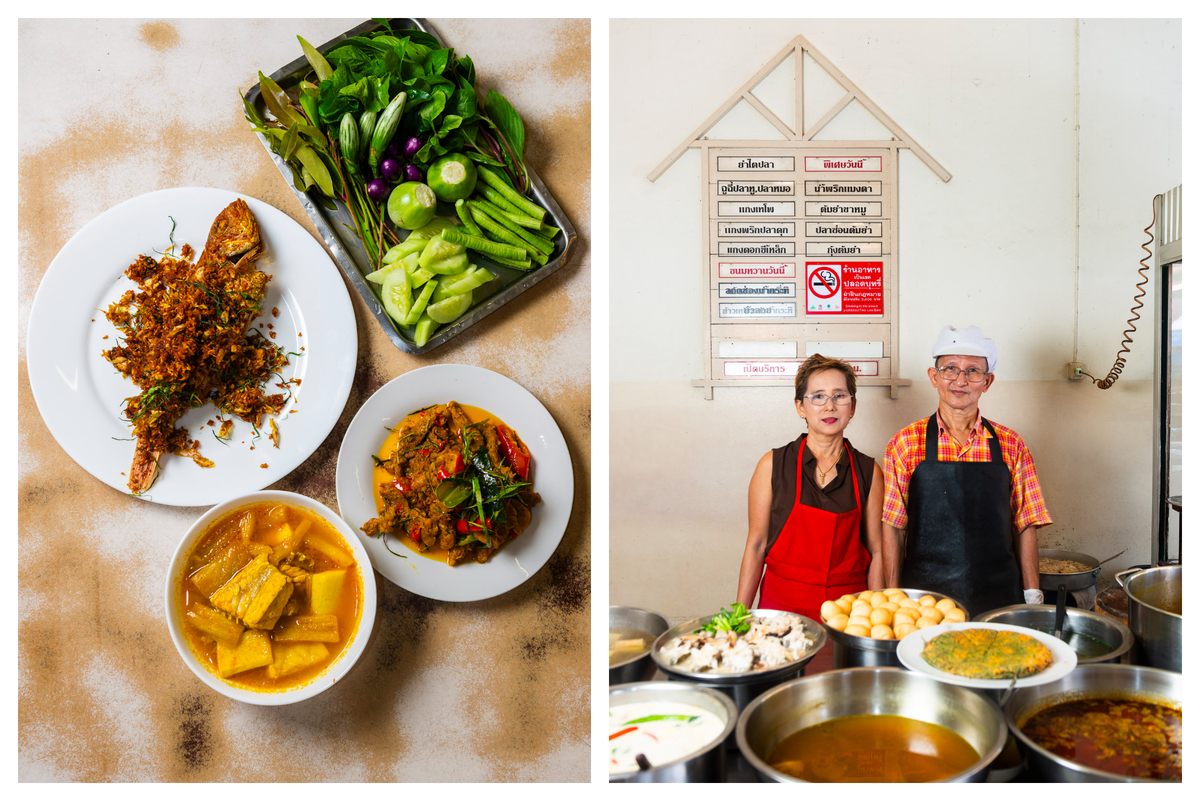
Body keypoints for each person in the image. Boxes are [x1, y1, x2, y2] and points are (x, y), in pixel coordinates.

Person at [881, 325, 1052, 616]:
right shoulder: (905, 443)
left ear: (987, 382)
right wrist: (894, 597)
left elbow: (1026, 524)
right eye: (950, 369)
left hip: (1000, 595)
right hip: (925, 602)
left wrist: (1032, 594)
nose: (960, 380)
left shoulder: (1011, 444)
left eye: (973, 371)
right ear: (934, 377)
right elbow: (894, 528)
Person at [737, 354, 884, 620]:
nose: (829, 406)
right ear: (800, 407)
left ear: (852, 407)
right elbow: (756, 545)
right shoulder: (772, 465)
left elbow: (877, 551)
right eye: (817, 396)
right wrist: (739, 616)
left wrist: (877, 621)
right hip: (781, 610)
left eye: (839, 396)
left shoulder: (869, 471)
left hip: (849, 614)